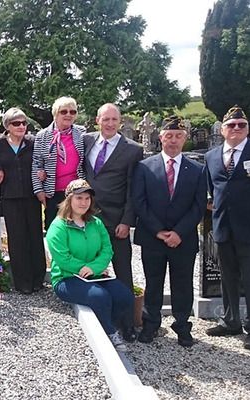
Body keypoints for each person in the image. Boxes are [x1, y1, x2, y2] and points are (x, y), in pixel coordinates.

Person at [132, 116, 207, 347]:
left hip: (182, 240)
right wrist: (158, 231)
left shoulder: (197, 169)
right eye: (169, 136)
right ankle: (151, 323)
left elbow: (198, 205)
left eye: (178, 136)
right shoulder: (145, 166)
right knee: (154, 282)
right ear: (161, 137)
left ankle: (182, 326)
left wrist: (179, 233)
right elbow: (139, 201)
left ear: (184, 139)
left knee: (182, 284)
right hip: (153, 237)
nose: (173, 140)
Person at [204, 105, 250, 351]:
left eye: (241, 125)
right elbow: (213, 188)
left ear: (248, 128)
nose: (236, 129)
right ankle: (231, 320)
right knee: (228, 279)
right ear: (223, 130)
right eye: (231, 125)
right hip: (224, 229)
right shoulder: (212, 156)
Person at [47, 179, 134, 352]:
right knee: (99, 296)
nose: (84, 203)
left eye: (87, 199)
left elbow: (107, 250)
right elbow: (63, 258)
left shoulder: (96, 223)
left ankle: (107, 322)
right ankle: (110, 333)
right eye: (79, 198)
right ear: (69, 200)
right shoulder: (58, 227)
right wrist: (83, 268)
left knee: (125, 296)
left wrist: (94, 268)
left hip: (94, 273)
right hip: (67, 277)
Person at [82, 103, 143, 341]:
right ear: (97, 120)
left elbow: (133, 189)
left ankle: (127, 324)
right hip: (87, 219)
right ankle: (98, 319)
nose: (109, 124)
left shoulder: (132, 149)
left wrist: (127, 221)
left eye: (114, 120)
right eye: (105, 119)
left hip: (115, 221)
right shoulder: (86, 141)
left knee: (122, 272)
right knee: (89, 269)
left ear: (120, 122)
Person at [0, 107, 46, 294]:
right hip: (10, 197)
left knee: (35, 237)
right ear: (7, 126)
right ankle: (22, 282)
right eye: (16, 123)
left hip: (31, 196)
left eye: (24, 123)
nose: (21, 126)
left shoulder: (33, 142)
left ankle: (38, 279)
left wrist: (42, 172)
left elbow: (42, 160)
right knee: (17, 240)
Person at [31, 96, 86, 231]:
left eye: (72, 112)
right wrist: (39, 191)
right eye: (64, 111)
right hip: (52, 193)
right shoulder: (42, 136)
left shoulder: (83, 134)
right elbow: (36, 164)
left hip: (77, 191)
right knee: (55, 231)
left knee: (77, 229)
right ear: (55, 113)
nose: (68, 115)